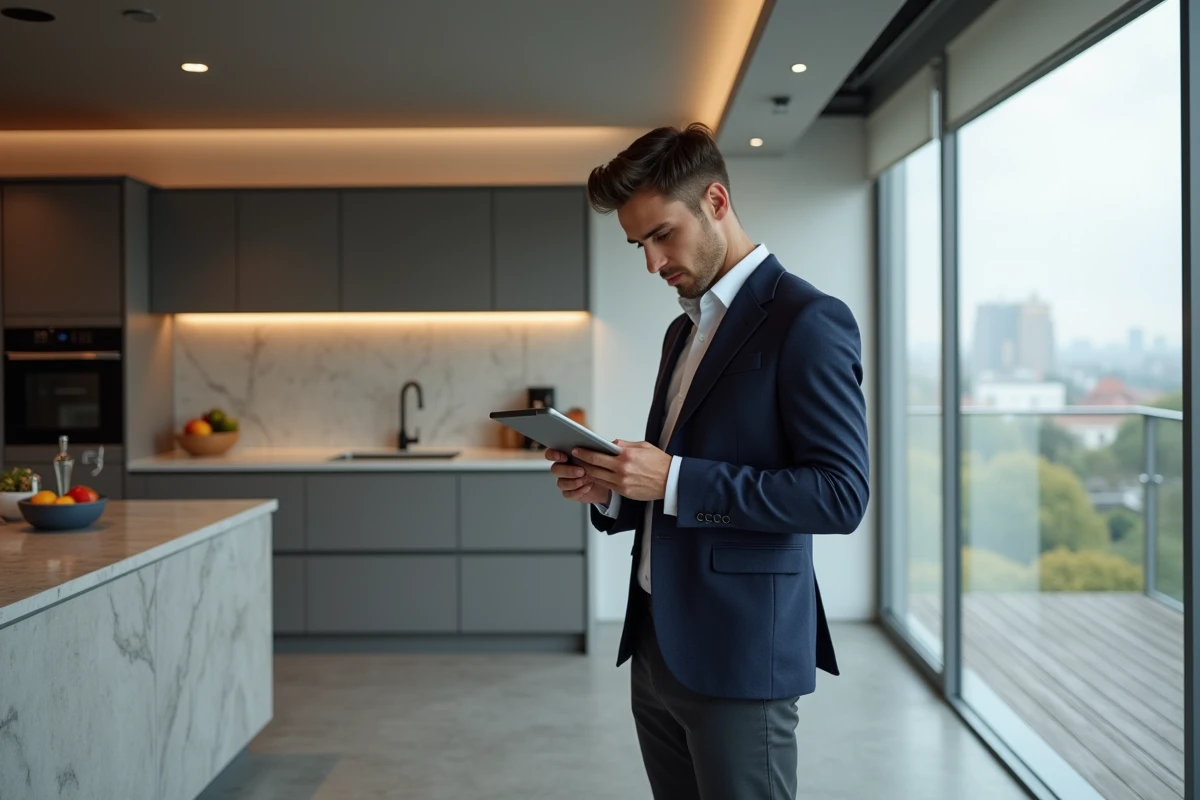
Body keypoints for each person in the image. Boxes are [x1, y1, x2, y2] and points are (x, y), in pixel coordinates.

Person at [544, 123, 869, 800]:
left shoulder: (807, 320)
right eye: (638, 244)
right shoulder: (684, 329)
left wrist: (674, 479)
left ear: (715, 201)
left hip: (740, 651)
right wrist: (609, 487)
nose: (652, 262)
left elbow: (839, 494)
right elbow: (666, 479)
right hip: (658, 643)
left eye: (662, 235)